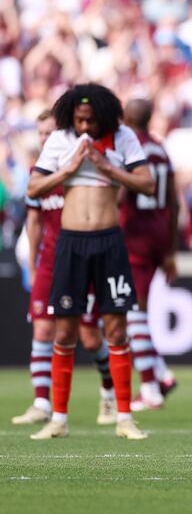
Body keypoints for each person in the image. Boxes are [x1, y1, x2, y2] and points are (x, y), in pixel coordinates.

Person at [26, 83, 155, 440]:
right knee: (65, 331)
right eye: (79, 120)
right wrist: (67, 171)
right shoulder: (60, 139)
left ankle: (125, 417)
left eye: (91, 120)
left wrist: (105, 167)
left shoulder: (123, 137)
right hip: (71, 244)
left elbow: (147, 184)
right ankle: (59, 418)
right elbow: (34, 189)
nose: (84, 127)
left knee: (116, 329)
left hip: (109, 242)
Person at [12, 109, 118, 427]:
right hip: (49, 261)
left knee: (88, 337)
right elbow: (34, 221)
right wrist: (32, 264)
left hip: (82, 258)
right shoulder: (38, 173)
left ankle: (109, 389)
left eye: (49, 134)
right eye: (41, 134)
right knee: (43, 329)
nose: (44, 139)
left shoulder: (81, 169)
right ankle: (42, 402)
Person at [120, 98, 179, 411]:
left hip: (134, 235)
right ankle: (162, 375)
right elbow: (174, 201)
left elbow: (120, 194)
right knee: (130, 312)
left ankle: (150, 389)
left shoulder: (128, 148)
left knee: (132, 313)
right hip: (158, 232)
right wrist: (171, 250)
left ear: (125, 118)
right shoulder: (159, 148)